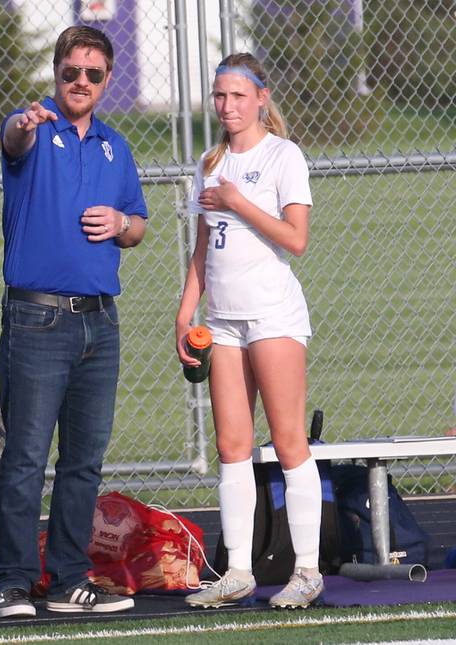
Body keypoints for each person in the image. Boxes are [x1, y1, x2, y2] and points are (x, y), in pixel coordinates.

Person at [0, 26, 148, 619]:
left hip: (98, 324)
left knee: (83, 461)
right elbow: (12, 140)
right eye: (70, 72)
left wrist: (120, 223)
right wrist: (24, 127)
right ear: (56, 74)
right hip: (37, 318)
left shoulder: (115, 145)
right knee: (27, 457)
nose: (80, 82)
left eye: (93, 74)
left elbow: (138, 224)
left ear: (107, 80)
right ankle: (13, 581)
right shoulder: (35, 127)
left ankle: (67, 578)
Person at [176, 53, 323, 609]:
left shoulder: (282, 155)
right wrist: (185, 312)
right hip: (224, 320)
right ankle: (238, 570)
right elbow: (200, 251)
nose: (227, 106)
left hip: (272, 315)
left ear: (261, 98)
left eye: (238, 96)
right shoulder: (210, 161)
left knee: (288, 441)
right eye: (220, 96)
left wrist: (238, 202)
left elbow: (297, 239)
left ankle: (307, 570)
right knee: (232, 446)